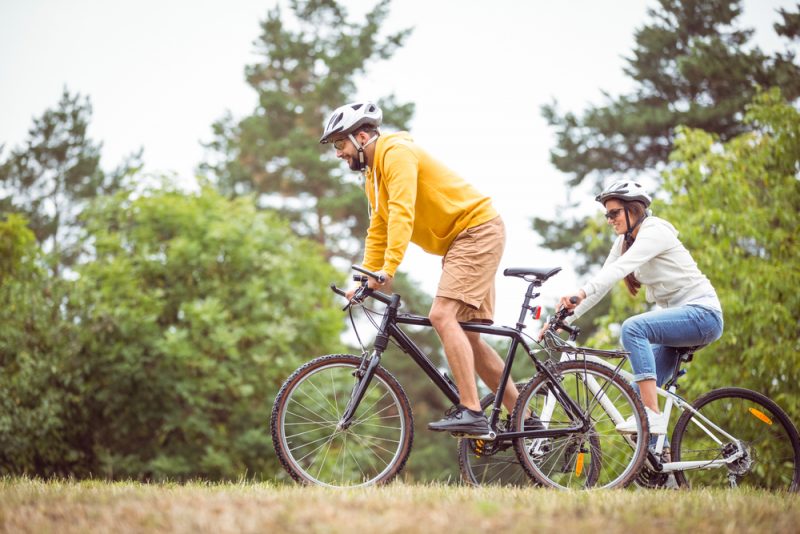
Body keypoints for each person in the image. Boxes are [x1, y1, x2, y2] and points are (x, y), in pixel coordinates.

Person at [320, 101, 516, 436]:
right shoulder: (373, 177)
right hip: (462, 240)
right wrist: (367, 277)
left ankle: (472, 410)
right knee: (468, 336)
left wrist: (389, 268)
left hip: (476, 231)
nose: (338, 153)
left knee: (441, 315)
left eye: (340, 143)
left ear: (362, 137)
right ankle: (526, 417)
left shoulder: (396, 153)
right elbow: (379, 228)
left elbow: (402, 212)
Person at [550, 180, 723, 435]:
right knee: (634, 393)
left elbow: (619, 269)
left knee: (633, 328)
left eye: (614, 213)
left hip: (703, 315)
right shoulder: (623, 242)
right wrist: (563, 319)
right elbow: (602, 282)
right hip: (682, 322)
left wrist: (581, 292)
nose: (610, 220)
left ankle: (651, 415)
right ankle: (657, 455)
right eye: (607, 215)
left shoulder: (655, 231)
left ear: (634, 209)